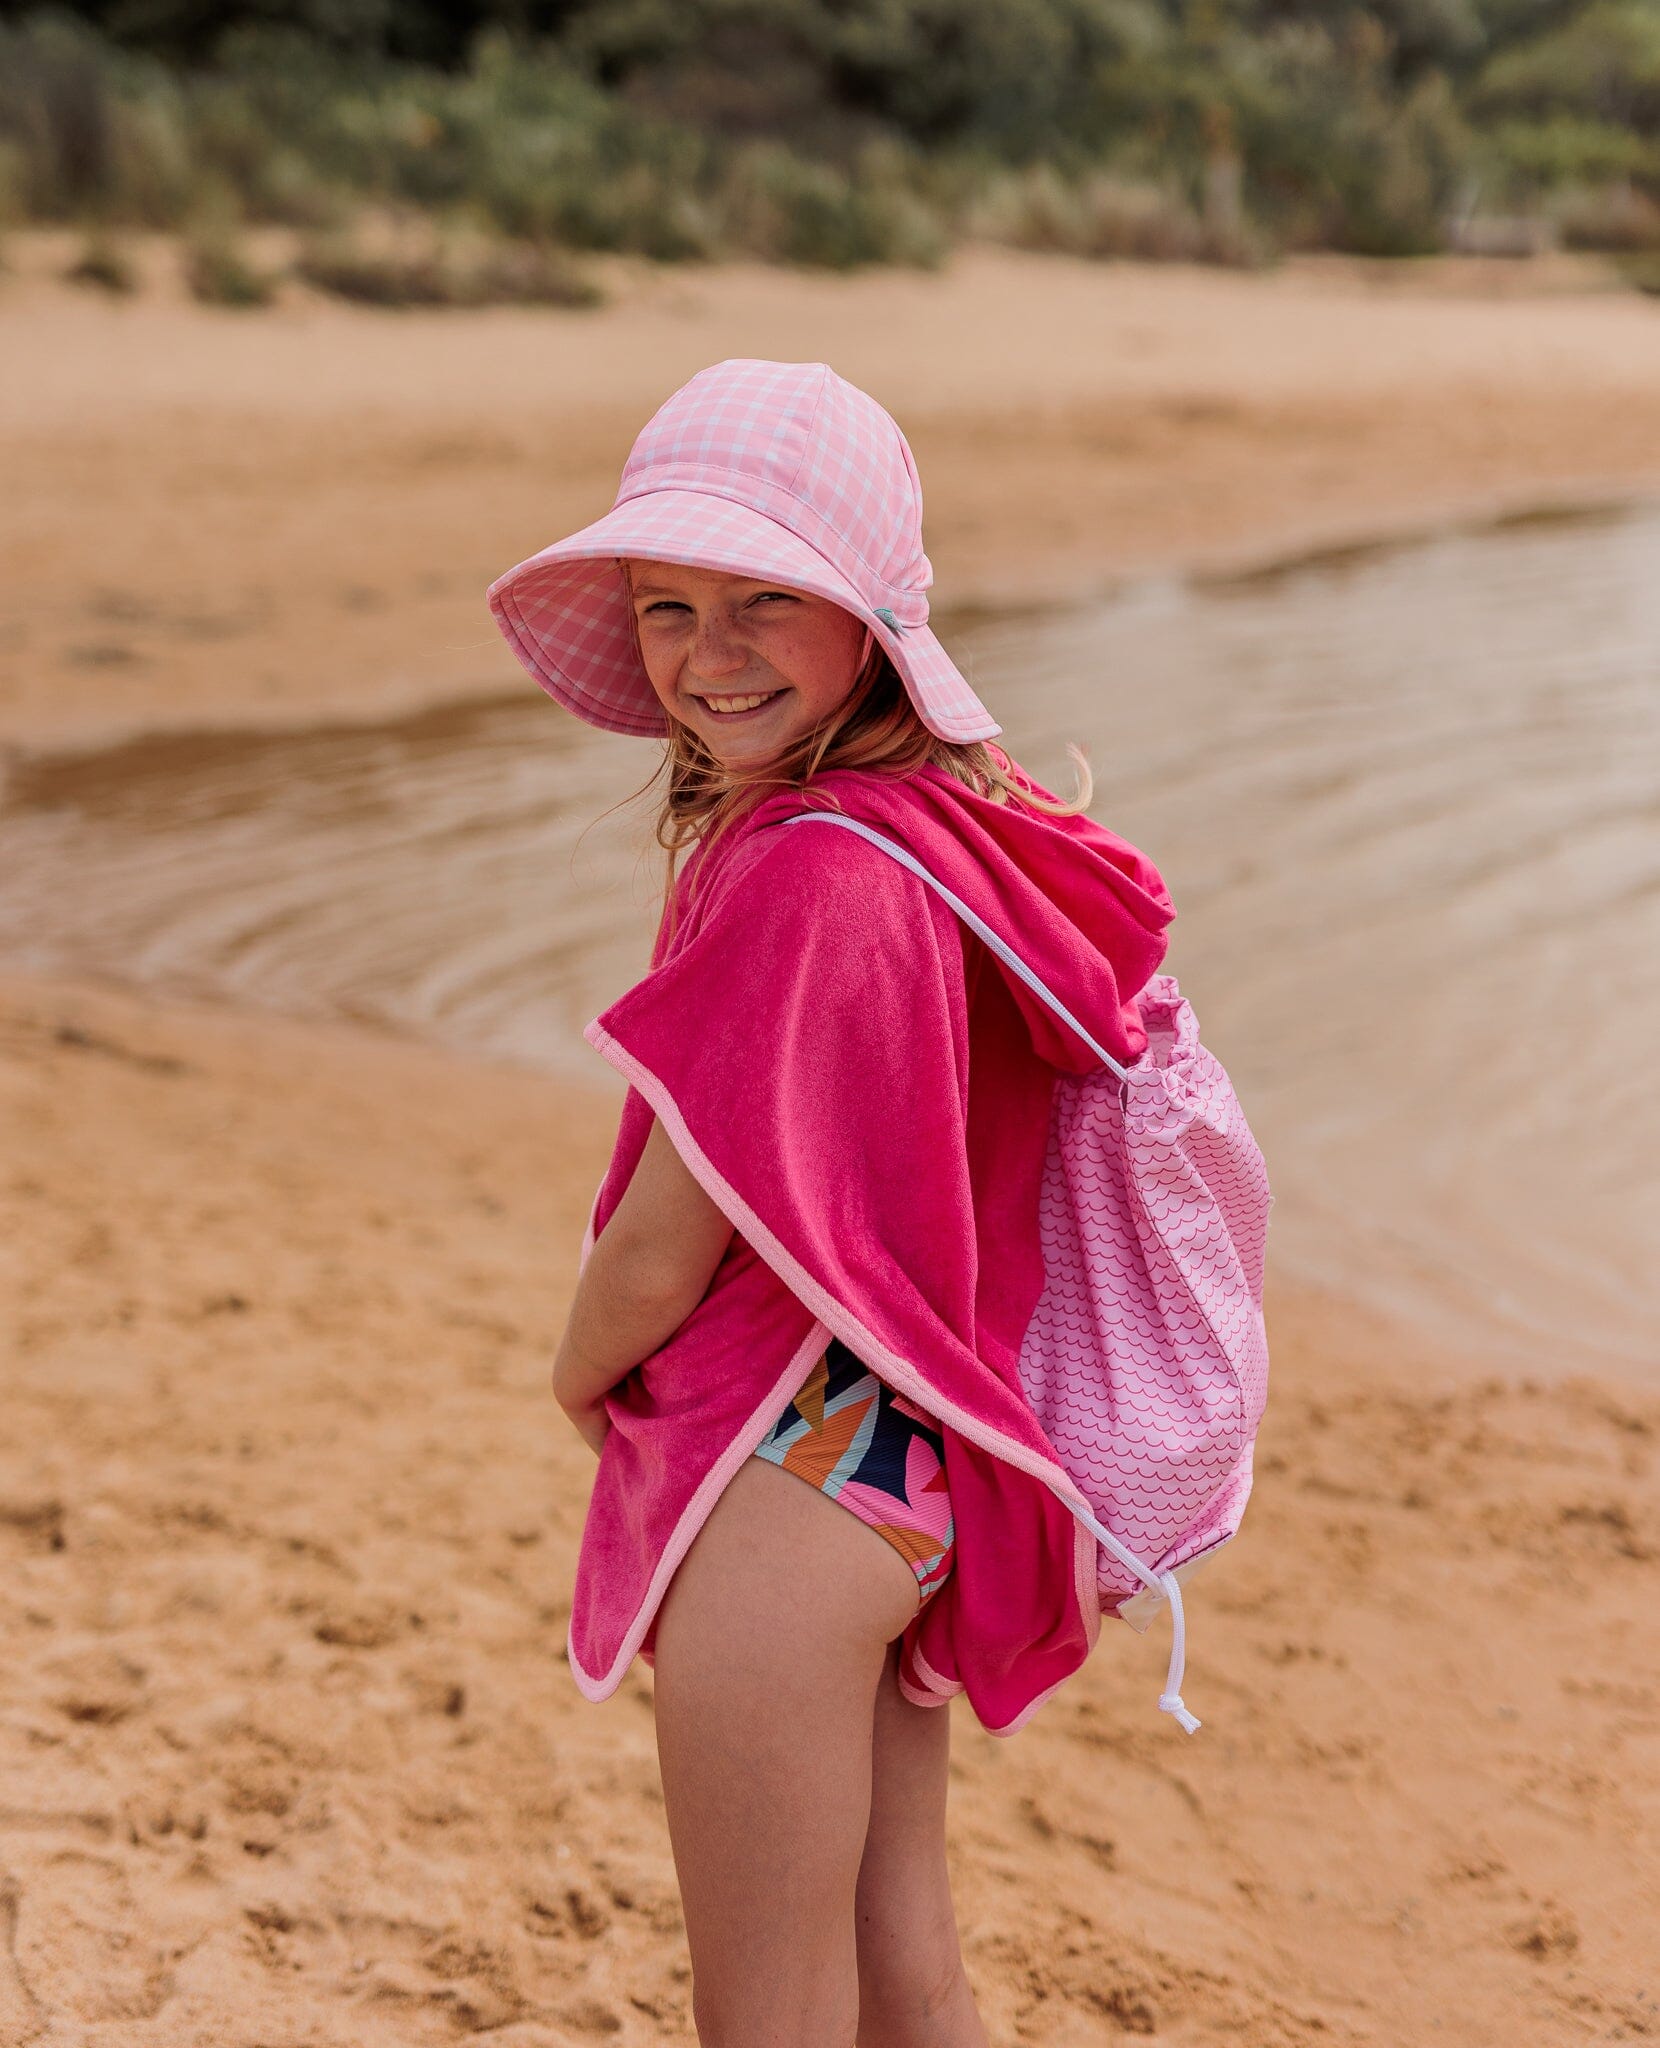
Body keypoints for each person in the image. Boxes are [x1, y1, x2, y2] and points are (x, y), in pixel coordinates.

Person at [486, 358, 1176, 2048]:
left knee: (768, 2007)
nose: (706, 655)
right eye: (667, 606)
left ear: (868, 623)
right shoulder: (930, 833)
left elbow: (665, 1237)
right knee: (897, 1961)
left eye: (764, 603)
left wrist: (579, 1373)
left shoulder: (801, 872)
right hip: (899, 1467)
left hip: (781, 1498)